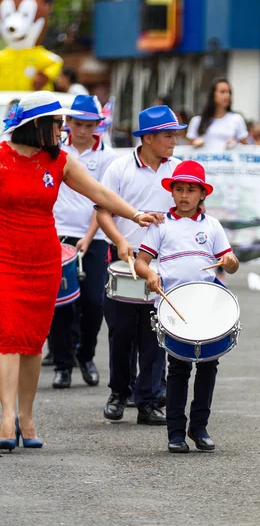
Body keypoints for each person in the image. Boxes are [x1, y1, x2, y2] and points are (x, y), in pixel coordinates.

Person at [0, 91, 161, 451]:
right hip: (5, 260)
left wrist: (134, 214)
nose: (64, 129)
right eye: (58, 123)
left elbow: (100, 193)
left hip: (43, 260)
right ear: (37, 125)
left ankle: (27, 417)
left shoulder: (60, 161)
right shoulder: (1, 157)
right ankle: (6, 418)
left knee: (31, 343)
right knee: (8, 337)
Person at [135, 160, 240, 453]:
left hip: (206, 305)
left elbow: (230, 264)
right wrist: (151, 274)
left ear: (202, 194)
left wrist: (231, 262)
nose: (184, 195)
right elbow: (141, 261)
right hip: (172, 305)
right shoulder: (161, 225)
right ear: (172, 192)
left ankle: (200, 427)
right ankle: (176, 433)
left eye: (190, 190)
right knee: (178, 368)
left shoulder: (212, 226)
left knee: (208, 365)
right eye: (179, 189)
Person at [97, 105, 186, 426]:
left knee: (155, 335)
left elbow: (190, 211)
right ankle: (119, 393)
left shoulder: (179, 170)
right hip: (124, 260)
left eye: (175, 133)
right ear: (148, 138)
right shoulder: (119, 168)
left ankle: (147, 400)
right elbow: (103, 212)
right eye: (168, 134)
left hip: (163, 264)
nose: (174, 139)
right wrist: (120, 242)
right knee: (121, 333)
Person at [46, 95, 117, 389]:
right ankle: (63, 365)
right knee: (59, 303)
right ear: (68, 124)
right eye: (78, 124)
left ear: (98, 125)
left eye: (90, 125)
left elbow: (102, 200)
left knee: (94, 301)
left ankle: (85, 356)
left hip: (95, 236)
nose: (84, 131)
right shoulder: (54, 151)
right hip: (57, 234)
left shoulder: (106, 156)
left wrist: (88, 238)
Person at [186, 78, 248, 149]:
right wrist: (196, 143)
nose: (227, 95)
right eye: (222, 92)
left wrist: (235, 144)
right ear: (213, 95)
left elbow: (245, 147)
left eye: (229, 92)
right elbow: (188, 148)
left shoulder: (237, 119)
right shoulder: (197, 120)